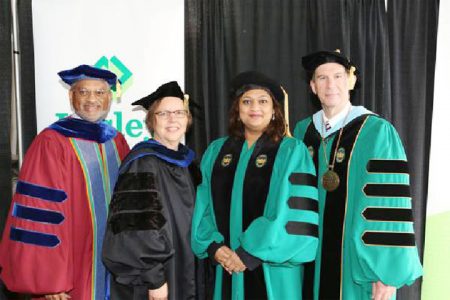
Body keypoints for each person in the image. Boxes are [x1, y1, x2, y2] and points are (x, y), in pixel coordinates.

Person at [293, 50, 423, 300]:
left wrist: (385, 274)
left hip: (357, 267)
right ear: (312, 86)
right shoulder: (303, 132)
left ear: (351, 81)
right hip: (310, 263)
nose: (331, 84)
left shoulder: (376, 131)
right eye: (322, 78)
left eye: (338, 76)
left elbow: (388, 206)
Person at [0, 65, 130, 299]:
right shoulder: (51, 142)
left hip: (112, 264)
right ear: (71, 96)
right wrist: (50, 280)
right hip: (70, 271)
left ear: (110, 98)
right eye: (83, 92)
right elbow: (40, 215)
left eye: (100, 93)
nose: (92, 99)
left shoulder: (117, 141)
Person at [191, 71, 319, 299]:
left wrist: (248, 254)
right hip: (226, 266)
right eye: (247, 101)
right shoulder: (217, 151)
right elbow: (203, 206)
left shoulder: (291, 151)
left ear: (274, 111)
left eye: (263, 101)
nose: (254, 108)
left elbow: (293, 216)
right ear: (237, 111)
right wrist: (214, 247)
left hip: (273, 270)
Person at [102, 81, 203, 300]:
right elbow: (135, 227)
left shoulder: (189, 163)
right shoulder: (143, 162)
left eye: (179, 112)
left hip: (186, 266)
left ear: (188, 119)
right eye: (163, 113)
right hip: (157, 278)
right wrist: (154, 278)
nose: (172, 119)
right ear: (151, 120)